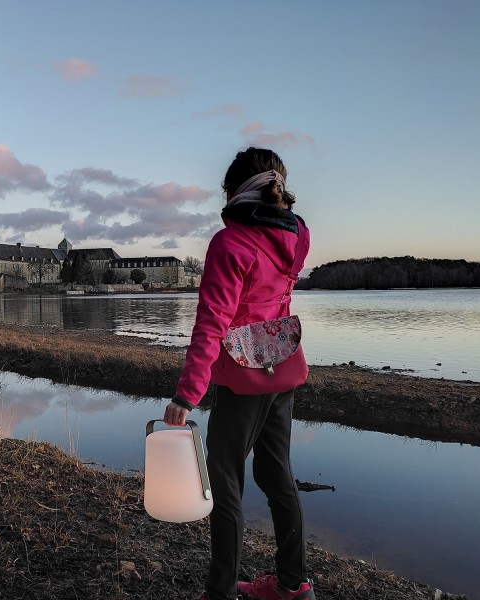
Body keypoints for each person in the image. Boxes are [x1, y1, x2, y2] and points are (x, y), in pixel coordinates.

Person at [163, 147, 315, 600]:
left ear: (234, 191)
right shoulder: (296, 237)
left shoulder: (230, 243)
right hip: (283, 368)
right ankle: (294, 585)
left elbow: (212, 321)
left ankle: (221, 592)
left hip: (243, 379)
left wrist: (186, 395)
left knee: (225, 481)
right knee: (277, 476)